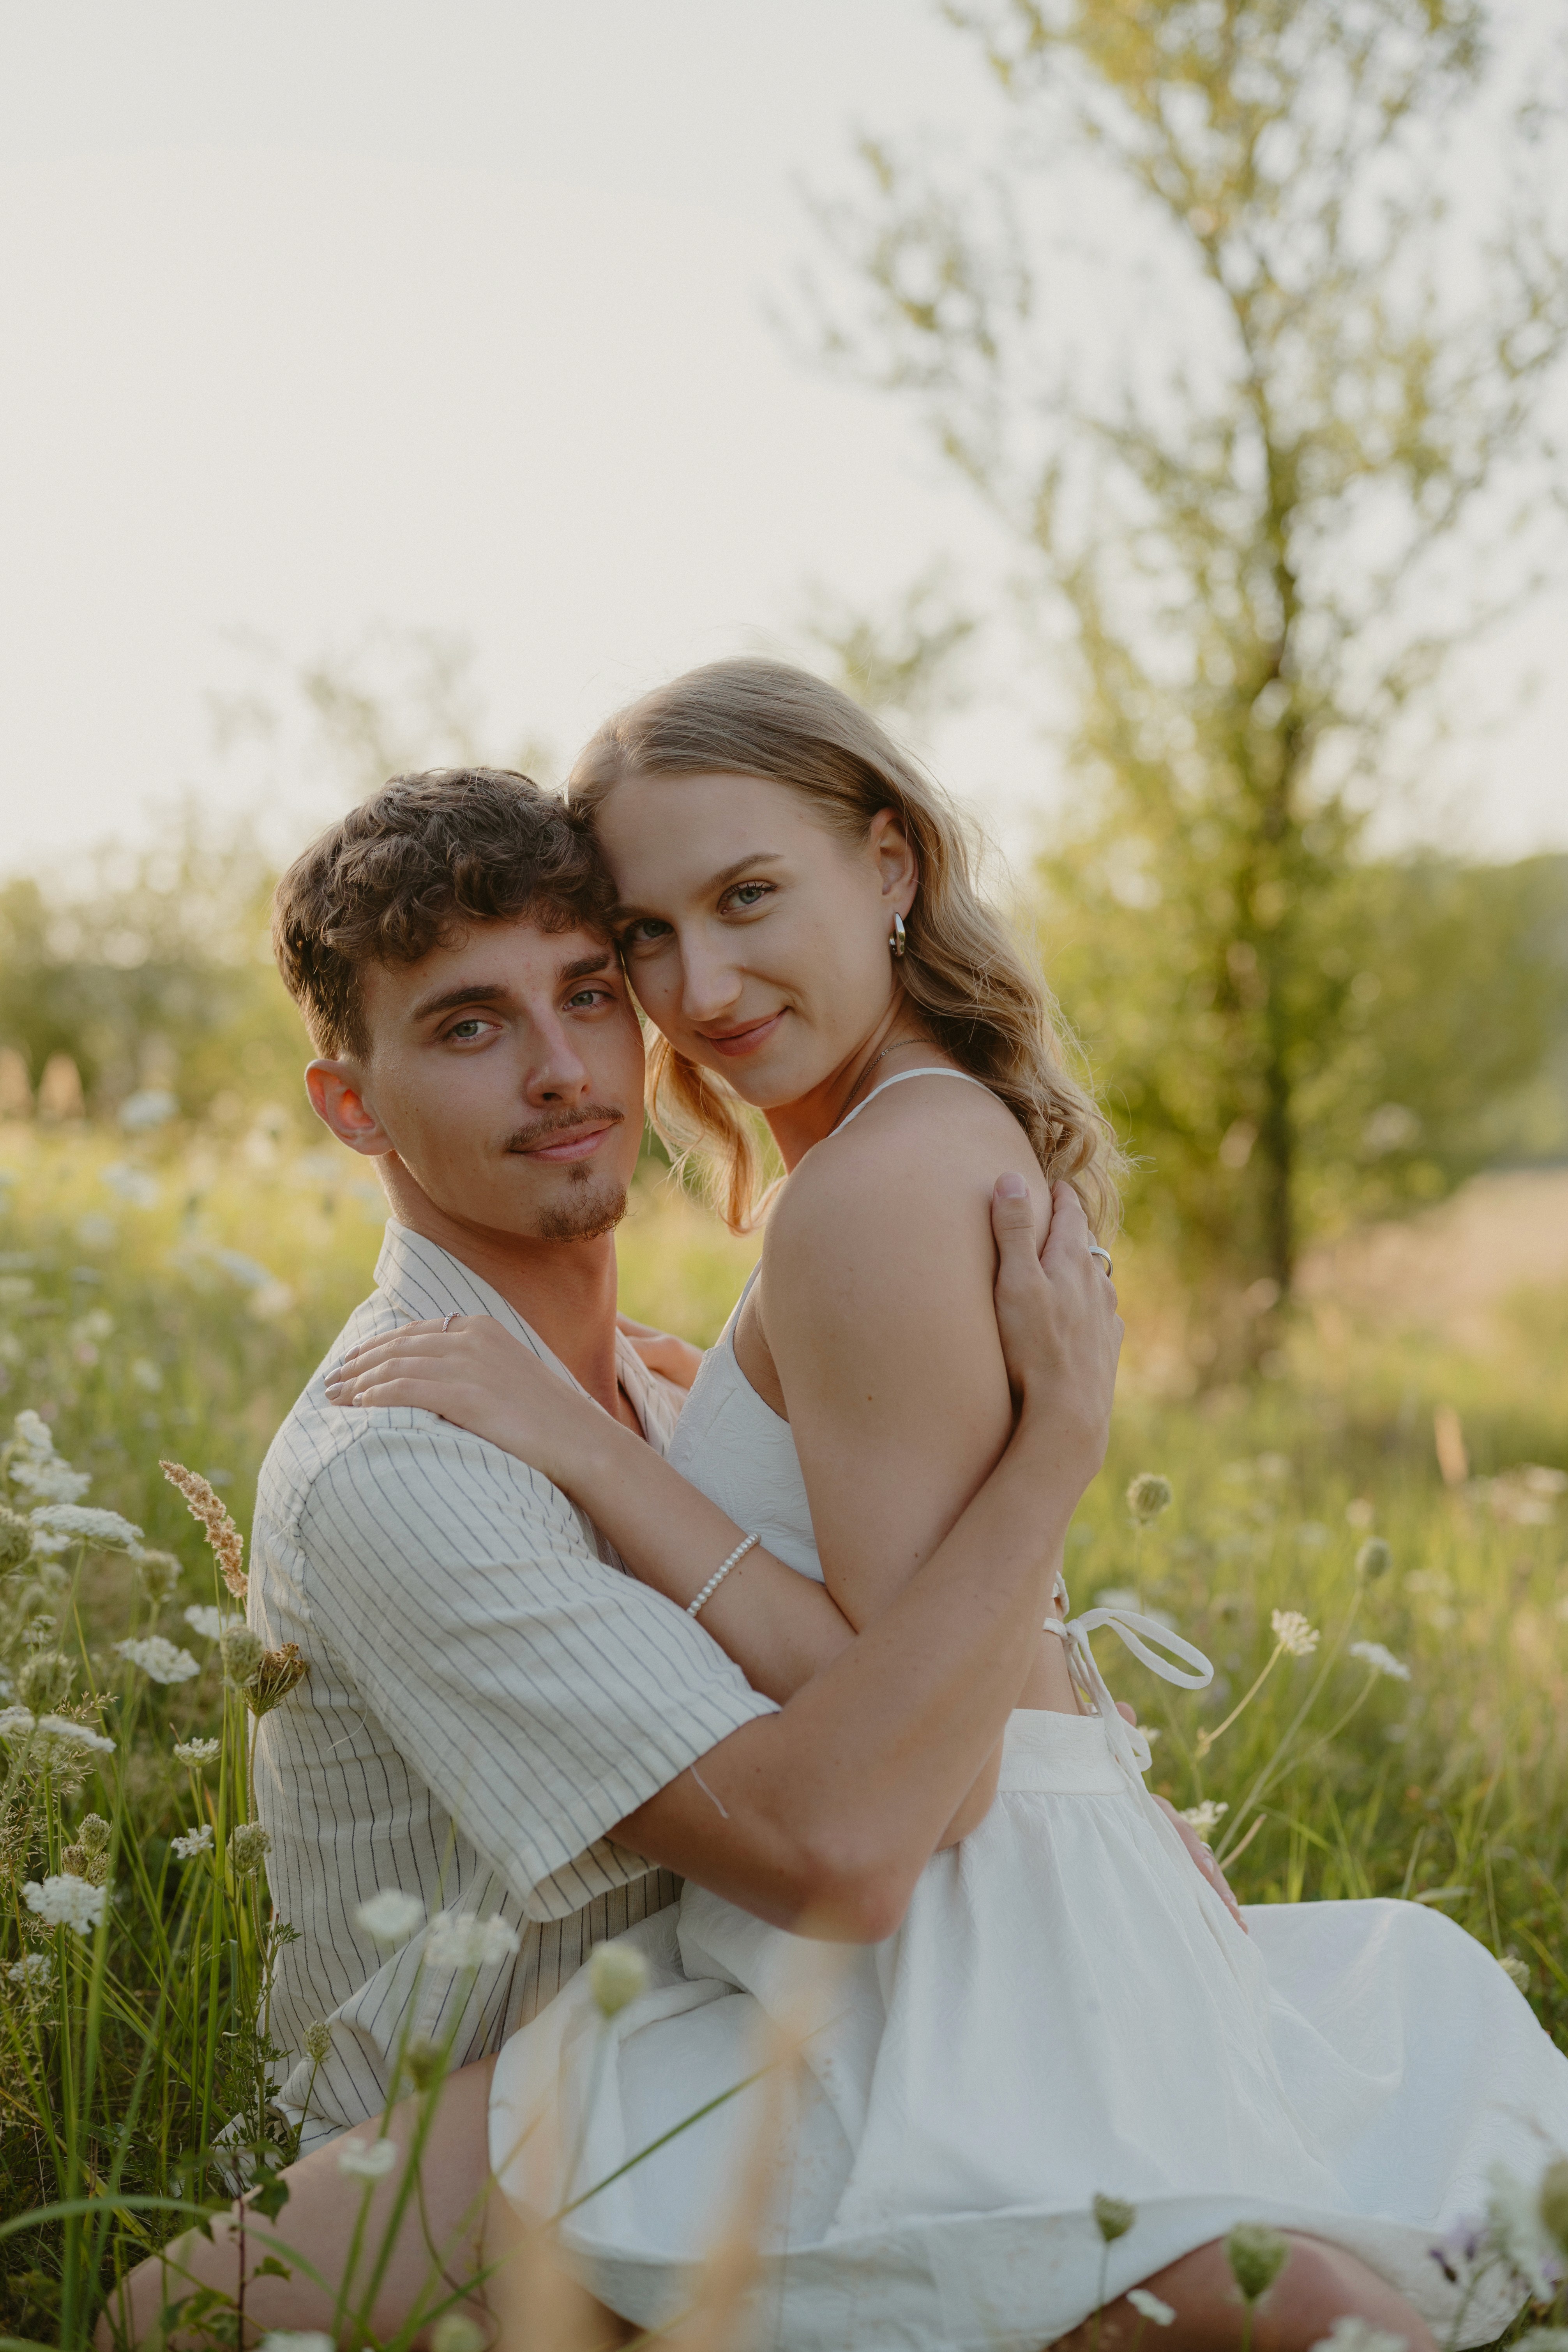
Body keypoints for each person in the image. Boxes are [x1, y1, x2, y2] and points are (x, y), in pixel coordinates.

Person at [314, 666, 1568, 2350]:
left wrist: (619, 1464)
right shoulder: (912, 1150)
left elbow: (927, 1750)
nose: (699, 989)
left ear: (889, 866)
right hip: (979, 1903)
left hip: (951, 1962)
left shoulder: (870, 1192)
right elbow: (954, 1632)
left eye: (745, 899)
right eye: (654, 938)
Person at [100, 763, 1135, 2350]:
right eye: (468, 1024)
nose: (562, 1069)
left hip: (738, 2064)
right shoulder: (407, 1464)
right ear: (352, 1105)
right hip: (477, 2173)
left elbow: (955, 1709)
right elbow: (844, 1853)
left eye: (590, 995)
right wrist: (1056, 1449)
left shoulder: (659, 1401)